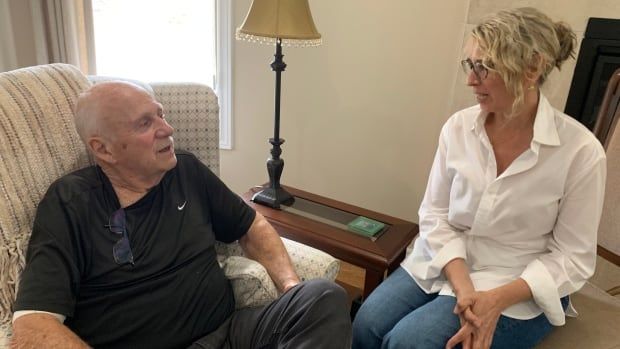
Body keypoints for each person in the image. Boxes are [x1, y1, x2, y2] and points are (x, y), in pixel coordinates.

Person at [10, 81, 352, 349]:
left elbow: (251, 224)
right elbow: (32, 324)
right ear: (103, 149)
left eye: (160, 114)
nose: (167, 129)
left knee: (322, 296)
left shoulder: (186, 170)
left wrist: (290, 286)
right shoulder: (70, 202)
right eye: (146, 123)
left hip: (230, 333)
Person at [352, 7, 606, 349]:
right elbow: (435, 214)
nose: (471, 79)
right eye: (470, 65)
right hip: (446, 260)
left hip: (517, 281)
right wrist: (465, 288)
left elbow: (573, 258)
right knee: (366, 324)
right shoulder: (458, 128)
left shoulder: (580, 152)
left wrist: (496, 299)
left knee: (410, 343)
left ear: (532, 68)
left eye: (484, 67)